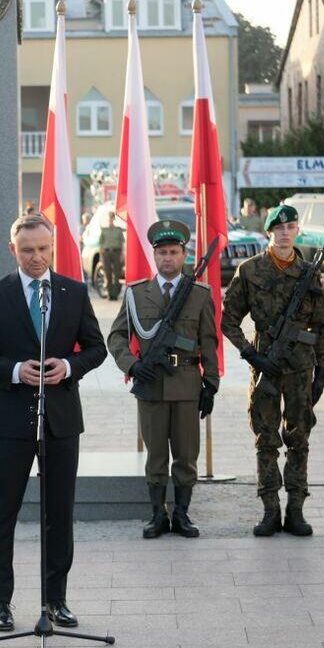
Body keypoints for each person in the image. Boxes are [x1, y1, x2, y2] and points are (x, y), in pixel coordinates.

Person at [0, 214, 107, 633]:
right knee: (2, 512)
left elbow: (96, 348)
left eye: (43, 249)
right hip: (10, 420)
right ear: (13, 250)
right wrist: (12, 370)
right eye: (27, 250)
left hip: (61, 419)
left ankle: (55, 600)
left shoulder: (73, 292)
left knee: (59, 512)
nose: (37, 257)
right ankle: (0, 601)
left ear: (53, 246)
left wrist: (69, 365)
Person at [222, 204, 324, 537]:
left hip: (300, 368)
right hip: (265, 365)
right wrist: (251, 355)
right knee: (266, 439)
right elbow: (228, 321)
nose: (285, 233)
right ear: (269, 232)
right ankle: (270, 510)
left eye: (291, 227)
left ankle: (295, 510)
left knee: (299, 438)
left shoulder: (309, 273)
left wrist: (322, 366)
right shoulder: (250, 270)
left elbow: (321, 324)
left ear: (297, 231)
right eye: (279, 228)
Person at [106, 221, 219, 539]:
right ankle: (158, 515)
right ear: (154, 256)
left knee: (186, 455)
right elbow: (116, 336)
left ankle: (181, 514)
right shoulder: (136, 294)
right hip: (151, 385)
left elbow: (209, 341)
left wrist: (211, 383)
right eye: (162, 253)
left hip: (186, 385)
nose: (168, 258)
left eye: (173, 252)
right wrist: (132, 365)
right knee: (156, 455)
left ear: (184, 255)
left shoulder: (199, 294)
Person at [99, 213, 124, 300]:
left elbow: (122, 243)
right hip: (106, 253)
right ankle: (110, 293)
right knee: (107, 273)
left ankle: (115, 294)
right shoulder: (104, 230)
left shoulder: (118, 230)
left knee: (117, 274)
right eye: (109, 218)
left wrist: (122, 255)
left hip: (116, 252)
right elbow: (101, 244)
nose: (110, 220)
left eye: (112, 218)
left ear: (114, 219)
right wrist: (101, 256)